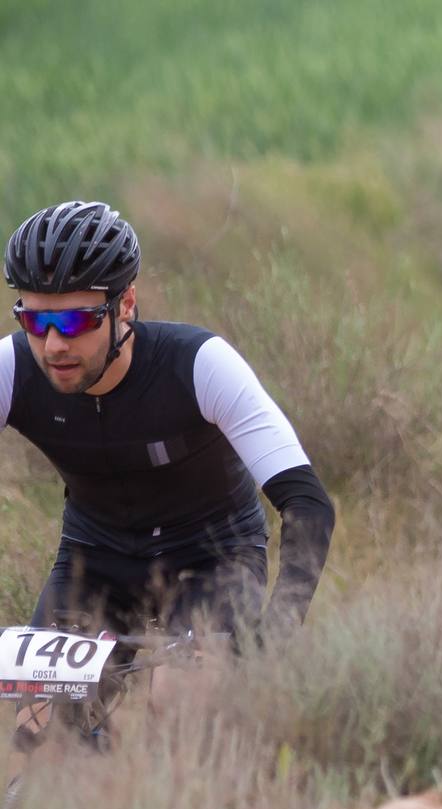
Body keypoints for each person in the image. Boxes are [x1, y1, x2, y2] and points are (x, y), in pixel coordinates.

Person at [5, 201, 335, 757]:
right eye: (36, 320)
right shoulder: (12, 369)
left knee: (177, 704)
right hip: (95, 559)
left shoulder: (200, 364)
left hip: (214, 559)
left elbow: (306, 502)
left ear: (125, 303)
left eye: (76, 320)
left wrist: (281, 624)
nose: (54, 344)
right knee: (39, 725)